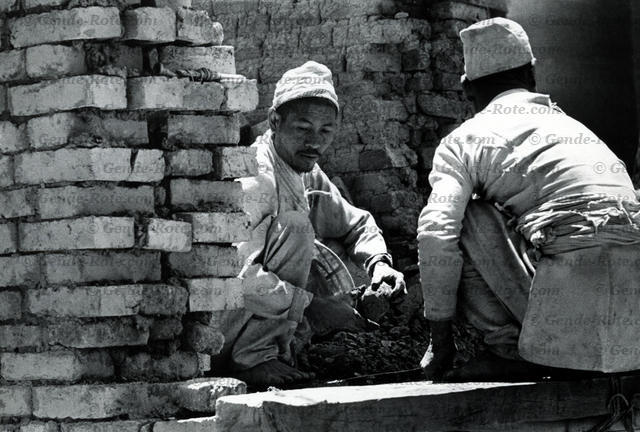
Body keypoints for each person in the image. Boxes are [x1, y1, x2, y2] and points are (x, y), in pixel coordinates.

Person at [417, 18, 640, 381]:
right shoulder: (578, 131)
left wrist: (440, 342)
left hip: (570, 326)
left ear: (467, 90)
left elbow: (434, 234)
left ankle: (510, 350)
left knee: (466, 218)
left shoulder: (463, 141)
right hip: (633, 327)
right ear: (532, 75)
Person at [217, 61, 406, 387]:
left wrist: (379, 264)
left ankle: (287, 348)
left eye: (325, 131)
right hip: (220, 332)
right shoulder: (258, 177)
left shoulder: (306, 171)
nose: (315, 142)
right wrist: (313, 306)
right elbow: (239, 279)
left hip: (260, 317)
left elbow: (356, 223)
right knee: (297, 227)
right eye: (303, 129)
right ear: (275, 121)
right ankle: (255, 360)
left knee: (328, 240)